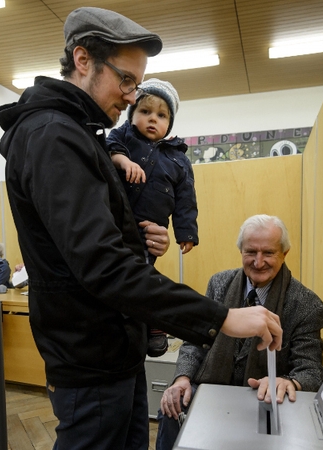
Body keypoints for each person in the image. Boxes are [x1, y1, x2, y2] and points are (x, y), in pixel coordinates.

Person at [0, 7, 282, 449]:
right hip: (90, 356)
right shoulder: (55, 136)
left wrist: (147, 237)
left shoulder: (82, 134)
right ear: (83, 59)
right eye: (126, 80)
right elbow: (103, 266)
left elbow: (104, 244)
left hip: (113, 350)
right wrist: (221, 317)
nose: (132, 97)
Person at [155, 214, 323, 450]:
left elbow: (311, 371)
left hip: (264, 402)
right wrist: (182, 378)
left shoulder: (307, 305)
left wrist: (289, 382)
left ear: (284, 254)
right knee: (170, 408)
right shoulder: (218, 283)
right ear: (241, 252)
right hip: (212, 391)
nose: (258, 262)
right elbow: (195, 342)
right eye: (250, 252)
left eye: (268, 253)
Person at [107, 78, 199, 357]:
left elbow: (186, 200)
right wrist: (123, 161)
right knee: (127, 274)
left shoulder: (179, 159)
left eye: (161, 115)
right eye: (144, 112)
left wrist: (187, 233)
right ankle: (147, 322)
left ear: (169, 124)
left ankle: (152, 322)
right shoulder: (124, 137)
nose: (151, 119)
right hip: (121, 224)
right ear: (131, 114)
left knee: (142, 272)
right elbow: (109, 146)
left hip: (152, 229)